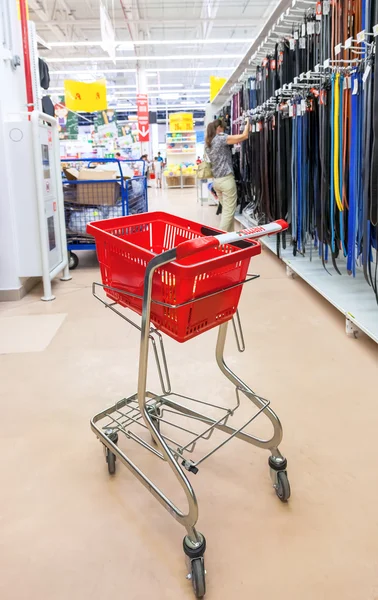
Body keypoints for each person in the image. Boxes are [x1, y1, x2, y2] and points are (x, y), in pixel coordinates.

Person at [205, 117, 250, 232]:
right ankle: (219, 241)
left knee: (226, 211)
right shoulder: (220, 138)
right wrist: (248, 123)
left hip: (217, 182)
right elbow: (243, 136)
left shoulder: (208, 143)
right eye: (223, 128)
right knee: (228, 213)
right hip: (226, 181)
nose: (224, 130)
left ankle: (230, 240)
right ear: (218, 128)